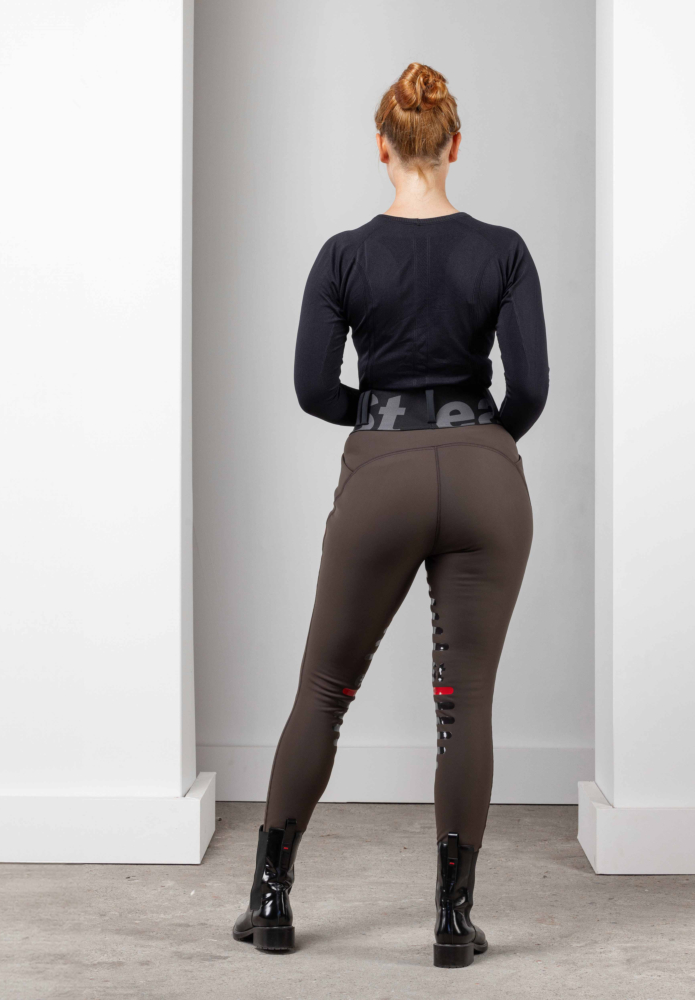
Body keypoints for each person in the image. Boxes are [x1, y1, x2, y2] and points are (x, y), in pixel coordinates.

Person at [233, 61, 549, 969]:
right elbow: (528, 387)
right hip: (486, 473)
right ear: (455, 145)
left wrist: (381, 417)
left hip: (381, 468)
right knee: (465, 703)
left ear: (382, 147)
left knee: (325, 692)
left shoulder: (344, 255)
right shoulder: (504, 250)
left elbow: (311, 388)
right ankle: (452, 922)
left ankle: (271, 903)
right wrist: (479, 438)